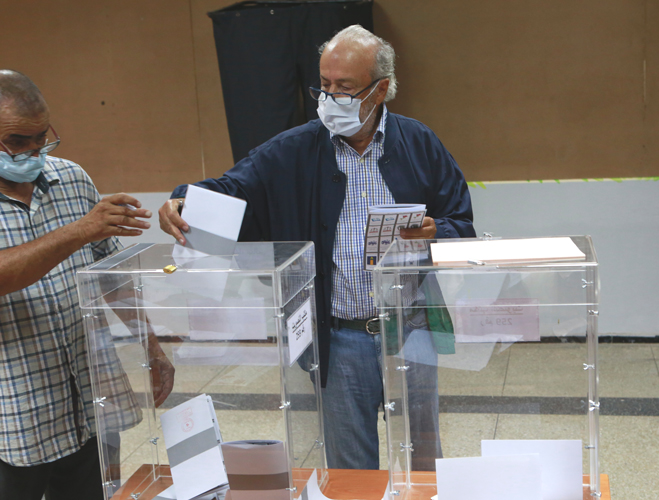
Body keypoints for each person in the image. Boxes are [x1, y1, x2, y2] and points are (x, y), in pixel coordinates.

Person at [159, 25, 475, 469]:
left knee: (422, 463)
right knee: (350, 472)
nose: (330, 98)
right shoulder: (293, 149)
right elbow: (231, 188)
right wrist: (182, 202)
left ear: (379, 89)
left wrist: (435, 231)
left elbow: (462, 224)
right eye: (324, 85)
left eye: (344, 87)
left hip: (411, 331)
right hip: (338, 338)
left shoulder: (419, 143)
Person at [0, 70, 173, 499]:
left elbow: (112, 277)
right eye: (17, 141)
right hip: (16, 414)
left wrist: (151, 347)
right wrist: (78, 231)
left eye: (42, 137)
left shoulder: (72, 179)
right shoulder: (81, 220)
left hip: (87, 399)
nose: (33, 152)